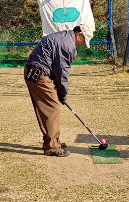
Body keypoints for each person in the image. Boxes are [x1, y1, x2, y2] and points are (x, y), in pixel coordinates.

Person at [24, 23, 93, 157]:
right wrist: (62, 94)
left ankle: (52, 141)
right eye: (84, 40)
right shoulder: (67, 45)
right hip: (38, 74)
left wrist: (59, 91)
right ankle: (52, 146)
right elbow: (62, 73)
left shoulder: (65, 37)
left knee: (47, 108)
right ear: (79, 35)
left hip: (36, 71)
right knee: (52, 108)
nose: (83, 44)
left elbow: (57, 70)